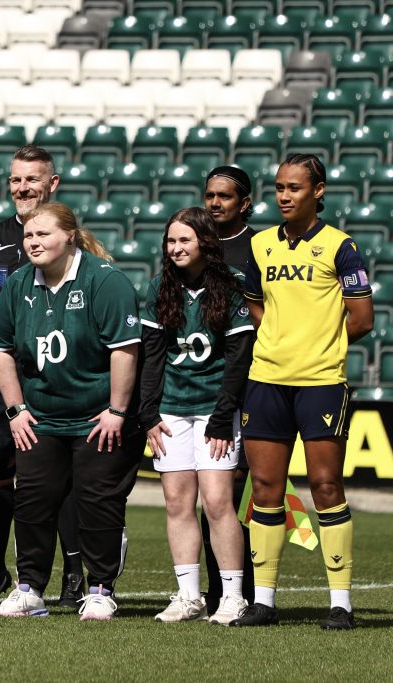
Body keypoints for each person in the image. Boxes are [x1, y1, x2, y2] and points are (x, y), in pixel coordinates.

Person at [232, 154, 373, 630]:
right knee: (265, 489)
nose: (284, 196)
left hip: (321, 383)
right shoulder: (261, 245)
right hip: (266, 380)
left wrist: (317, 345)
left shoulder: (340, 246)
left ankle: (341, 604)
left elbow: (362, 318)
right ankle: (264, 602)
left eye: (294, 187)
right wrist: (280, 340)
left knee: (326, 487)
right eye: (279, 188)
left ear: (318, 191)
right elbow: (255, 306)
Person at [0, 202, 143, 621]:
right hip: (40, 418)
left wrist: (117, 410)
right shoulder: (18, 284)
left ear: (69, 236)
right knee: (32, 502)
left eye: (43, 234)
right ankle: (29, 589)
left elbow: (125, 349)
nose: (33, 242)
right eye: (29, 235)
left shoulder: (105, 281)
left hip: (97, 418)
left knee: (97, 503)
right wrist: (16, 410)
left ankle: (101, 589)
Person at [0, 145, 85, 607]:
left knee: (60, 474)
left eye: (32, 179)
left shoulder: (68, 235)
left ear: (53, 184)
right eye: (16, 179)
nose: (22, 187)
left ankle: (73, 573)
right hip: (5, 376)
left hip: (58, 374)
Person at [138, 207, 255, 625]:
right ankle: (189, 596)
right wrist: (148, 412)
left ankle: (233, 597)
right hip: (171, 409)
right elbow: (152, 356)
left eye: (184, 240)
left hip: (215, 410)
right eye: (171, 241)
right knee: (177, 502)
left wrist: (224, 415)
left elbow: (239, 357)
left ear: (205, 242)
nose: (176, 248)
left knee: (219, 502)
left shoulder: (232, 285)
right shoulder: (159, 287)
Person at [201, 165, 257, 612]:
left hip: (254, 380)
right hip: (203, 383)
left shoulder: (260, 248)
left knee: (240, 493)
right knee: (212, 496)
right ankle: (219, 590)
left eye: (224, 196)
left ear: (245, 203)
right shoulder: (195, 245)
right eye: (210, 195)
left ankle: (247, 591)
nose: (215, 203)